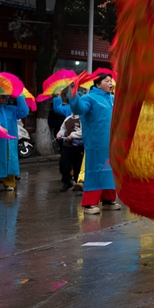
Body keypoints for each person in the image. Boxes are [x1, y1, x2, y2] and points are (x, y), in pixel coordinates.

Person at [65, 73, 119, 214]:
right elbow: (78, 109)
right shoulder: (89, 98)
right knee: (95, 170)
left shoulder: (113, 99)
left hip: (111, 142)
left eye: (111, 81)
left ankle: (108, 200)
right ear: (97, 84)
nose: (110, 83)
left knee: (109, 171)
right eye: (107, 81)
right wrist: (73, 94)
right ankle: (90, 203)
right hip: (96, 142)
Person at [0, 89, 30, 192]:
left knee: (10, 160)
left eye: (3, 97)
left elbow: (24, 111)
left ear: (6, 98)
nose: (1, 99)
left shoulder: (12, 110)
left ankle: (9, 182)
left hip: (10, 141)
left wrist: (19, 96)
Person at [56, 112, 84, 192]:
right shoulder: (68, 119)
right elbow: (63, 129)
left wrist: (72, 135)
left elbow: (83, 131)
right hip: (67, 146)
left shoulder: (82, 118)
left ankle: (78, 184)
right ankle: (67, 182)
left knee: (77, 166)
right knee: (63, 164)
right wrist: (59, 135)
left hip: (78, 146)